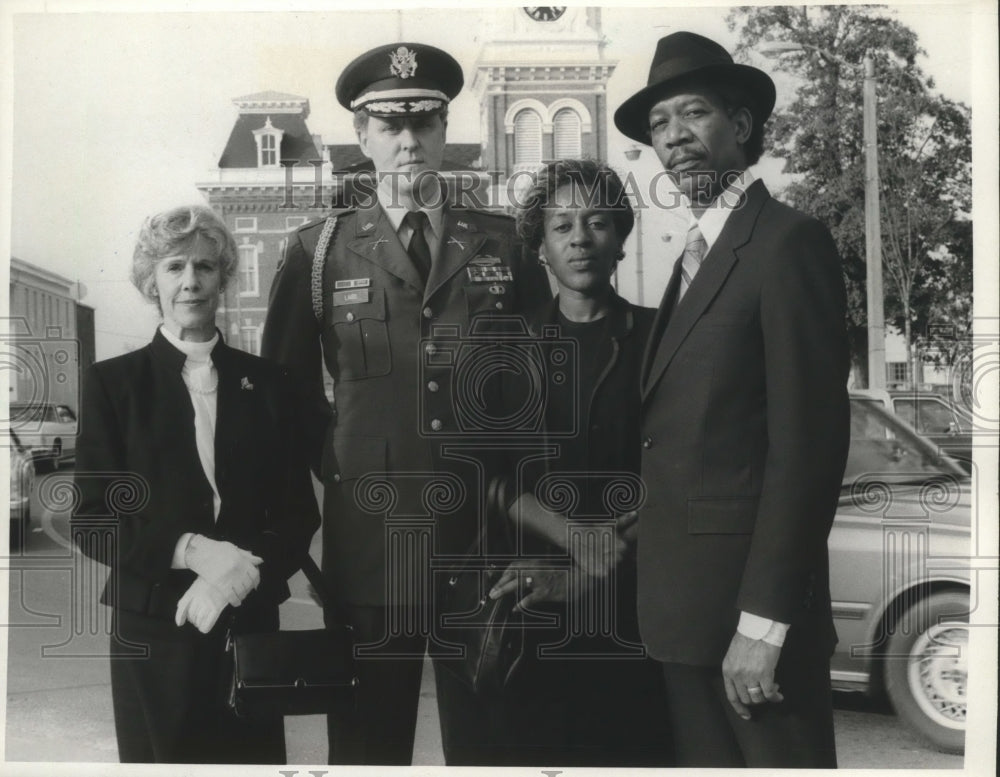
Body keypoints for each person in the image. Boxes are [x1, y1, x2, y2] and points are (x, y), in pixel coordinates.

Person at [261, 42, 551, 765]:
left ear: (444, 129)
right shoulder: (319, 252)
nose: (408, 139)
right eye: (389, 124)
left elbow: (541, 396)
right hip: (371, 545)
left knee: (492, 746)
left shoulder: (504, 243)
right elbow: (283, 398)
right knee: (368, 746)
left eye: (424, 121)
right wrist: (330, 491)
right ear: (361, 136)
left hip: (482, 544)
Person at [612, 31, 851, 767]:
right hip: (685, 620)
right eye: (659, 125)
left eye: (693, 115)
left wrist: (766, 624)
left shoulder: (786, 243)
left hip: (749, 633)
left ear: (741, 125)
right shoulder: (695, 255)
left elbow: (806, 450)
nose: (674, 138)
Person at [71, 205, 320, 764]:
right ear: (149, 281)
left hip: (250, 623)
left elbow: (298, 515)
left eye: (205, 267)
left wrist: (234, 578)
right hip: (154, 628)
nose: (191, 282)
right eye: (174, 267)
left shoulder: (270, 383)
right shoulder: (113, 385)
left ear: (224, 278)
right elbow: (93, 518)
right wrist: (193, 552)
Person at [451, 159, 669, 766]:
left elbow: (680, 469)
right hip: (531, 606)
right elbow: (483, 473)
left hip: (636, 602)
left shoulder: (659, 340)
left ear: (621, 238)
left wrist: (606, 558)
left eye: (597, 221)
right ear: (540, 248)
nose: (580, 237)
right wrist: (573, 536)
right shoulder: (501, 346)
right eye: (562, 224)